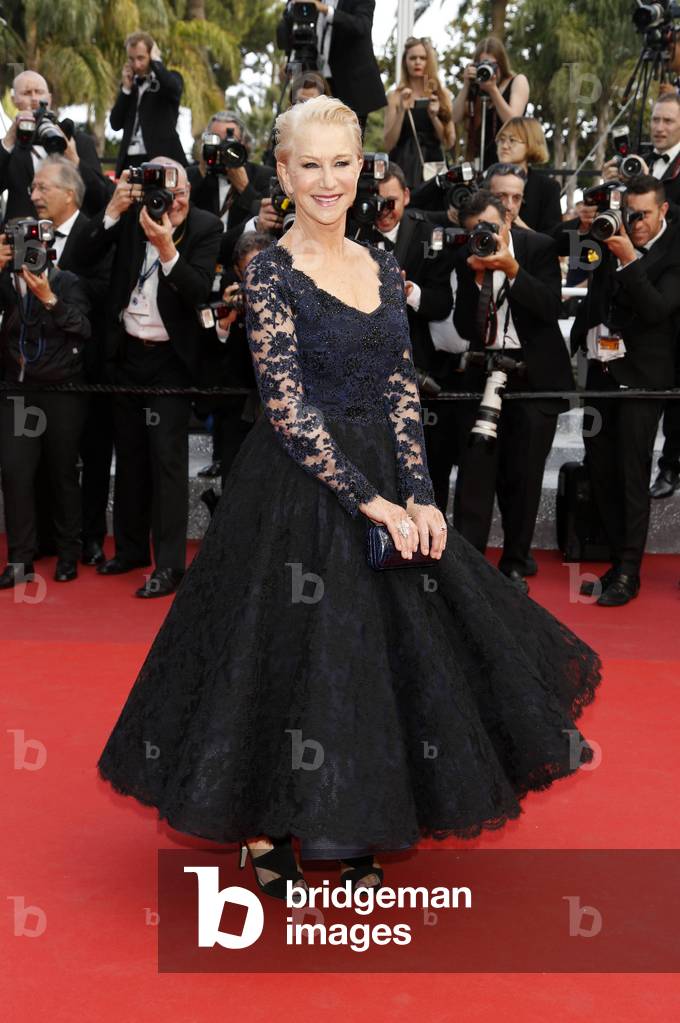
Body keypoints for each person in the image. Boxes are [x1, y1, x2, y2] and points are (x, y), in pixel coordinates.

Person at [97, 96, 601, 900]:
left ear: (361, 166)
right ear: (284, 172)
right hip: (294, 489)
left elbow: (401, 386)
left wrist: (422, 495)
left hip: (383, 478)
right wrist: (375, 503)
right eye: (310, 164)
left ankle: (354, 808)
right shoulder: (266, 271)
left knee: (370, 659)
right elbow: (289, 410)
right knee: (276, 655)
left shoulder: (384, 265)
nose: (328, 181)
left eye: (343, 163)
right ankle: (264, 823)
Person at [82, 158, 222, 598]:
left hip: (171, 361)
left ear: (190, 192)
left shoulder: (205, 226)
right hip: (125, 355)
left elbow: (199, 288)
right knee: (130, 455)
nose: (171, 201)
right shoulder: (130, 217)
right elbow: (81, 260)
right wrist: (112, 210)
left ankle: (169, 565)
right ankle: (129, 550)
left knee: (167, 460)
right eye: (161, 192)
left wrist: (166, 248)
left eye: (179, 193)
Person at [452, 190, 573, 593]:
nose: (483, 236)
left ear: (506, 219)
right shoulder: (468, 254)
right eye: (474, 231)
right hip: (483, 373)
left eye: (489, 227)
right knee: (475, 475)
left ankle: (516, 563)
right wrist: (477, 280)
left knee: (524, 475)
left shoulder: (538, 248)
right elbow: (467, 330)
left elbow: (550, 307)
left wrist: (513, 269)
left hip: (533, 376)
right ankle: (469, 561)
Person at [571, 174, 680, 606]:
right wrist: (586, 232)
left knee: (632, 476)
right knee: (602, 473)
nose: (635, 222)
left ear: (664, 210)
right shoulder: (608, 235)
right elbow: (584, 275)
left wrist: (630, 258)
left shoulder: (674, 250)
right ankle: (617, 560)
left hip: (644, 381)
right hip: (601, 373)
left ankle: (630, 573)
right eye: (629, 214)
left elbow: (657, 309)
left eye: (644, 215)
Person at [28, 156, 114, 569]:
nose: (34, 196)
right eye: (32, 188)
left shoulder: (95, 233)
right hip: (37, 369)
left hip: (89, 367)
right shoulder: (27, 235)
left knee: (92, 456)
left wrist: (59, 279)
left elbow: (103, 291)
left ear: (68, 193)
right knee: (45, 458)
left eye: (42, 188)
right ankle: (48, 538)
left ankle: (91, 539)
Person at [0, 219, 91, 587]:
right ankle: (20, 560)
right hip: (18, 392)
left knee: (63, 472)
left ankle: (69, 553)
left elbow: (84, 328)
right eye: (22, 247)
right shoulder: (5, 282)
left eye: (36, 247)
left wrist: (48, 299)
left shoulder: (67, 282)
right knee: (15, 473)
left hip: (61, 391)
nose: (30, 255)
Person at [0, 70, 112, 220]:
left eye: (39, 92)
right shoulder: (10, 145)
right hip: (21, 235)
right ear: (14, 100)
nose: (34, 99)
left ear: (49, 98)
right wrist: (9, 140)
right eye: (26, 93)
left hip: (70, 238)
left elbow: (99, 198)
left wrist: (75, 160)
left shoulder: (78, 141)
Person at [276, 0, 386, 132]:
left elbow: (361, 26)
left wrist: (326, 10)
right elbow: (305, 34)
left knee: (348, 142)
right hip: (319, 82)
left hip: (351, 86)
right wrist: (293, 63)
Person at [109, 32, 186, 176]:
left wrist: (156, 62)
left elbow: (173, 89)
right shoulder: (129, 86)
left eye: (141, 58)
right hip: (130, 161)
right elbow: (115, 123)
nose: (136, 65)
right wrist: (125, 89)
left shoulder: (169, 79)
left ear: (151, 55)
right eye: (131, 59)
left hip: (161, 159)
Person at [383, 37, 455, 189]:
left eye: (422, 58)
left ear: (429, 61)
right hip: (403, 166)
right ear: (405, 62)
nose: (417, 62)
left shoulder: (442, 95)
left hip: (433, 166)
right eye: (412, 58)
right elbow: (388, 143)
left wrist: (434, 117)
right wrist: (402, 110)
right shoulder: (395, 96)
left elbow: (449, 142)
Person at [452, 36, 529, 172]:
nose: (488, 70)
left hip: (508, 161)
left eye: (492, 65)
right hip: (479, 162)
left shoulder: (517, 81)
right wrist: (466, 86)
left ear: (502, 64)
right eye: (483, 65)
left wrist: (493, 90)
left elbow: (512, 121)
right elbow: (454, 117)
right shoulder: (477, 87)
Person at [494, 117, 562, 233]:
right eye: (502, 139)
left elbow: (551, 242)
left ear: (531, 144)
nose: (504, 146)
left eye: (512, 140)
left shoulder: (548, 188)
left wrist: (518, 224)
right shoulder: (484, 183)